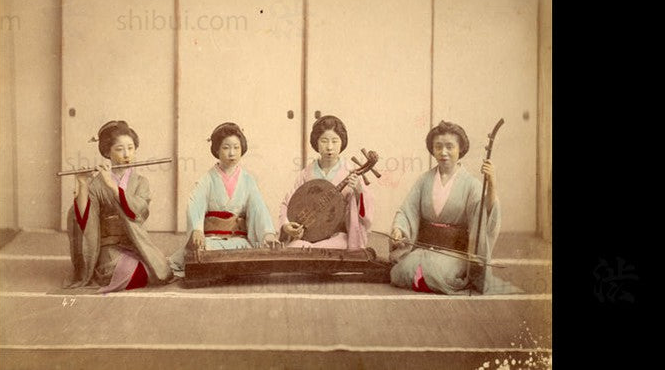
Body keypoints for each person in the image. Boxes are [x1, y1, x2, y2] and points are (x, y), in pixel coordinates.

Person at [388, 120, 517, 294]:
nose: (444, 152)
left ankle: (446, 275)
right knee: (400, 273)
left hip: (454, 253)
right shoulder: (424, 180)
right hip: (425, 249)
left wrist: (492, 183)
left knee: (436, 274)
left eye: (450, 146)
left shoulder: (471, 184)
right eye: (438, 146)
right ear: (432, 149)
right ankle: (423, 276)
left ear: (460, 149)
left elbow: (485, 214)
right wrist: (399, 230)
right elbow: (406, 210)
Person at [64, 120, 173, 293]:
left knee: (160, 271)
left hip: (135, 243)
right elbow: (84, 219)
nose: (126, 154)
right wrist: (83, 183)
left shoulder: (140, 182)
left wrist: (113, 186)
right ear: (107, 152)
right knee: (131, 273)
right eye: (119, 149)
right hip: (108, 247)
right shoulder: (96, 184)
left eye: (130, 148)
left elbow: (139, 212)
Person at [169, 122, 278, 277]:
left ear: (242, 149)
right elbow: (195, 205)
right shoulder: (207, 179)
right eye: (226, 148)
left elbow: (258, 208)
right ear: (217, 150)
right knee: (202, 254)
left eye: (236, 147)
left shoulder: (248, 180)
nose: (232, 153)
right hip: (212, 240)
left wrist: (267, 234)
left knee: (250, 255)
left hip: (239, 240)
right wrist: (197, 229)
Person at [278, 115, 373, 249]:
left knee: (326, 248)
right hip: (309, 236)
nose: (329, 147)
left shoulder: (350, 172)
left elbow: (365, 214)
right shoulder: (307, 173)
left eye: (335, 141)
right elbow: (287, 203)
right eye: (324, 141)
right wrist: (287, 225)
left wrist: (358, 191)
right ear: (316, 142)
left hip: (338, 237)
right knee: (295, 247)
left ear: (342, 142)